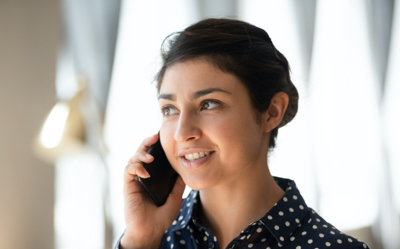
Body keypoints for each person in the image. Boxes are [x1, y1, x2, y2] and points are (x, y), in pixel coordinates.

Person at [116, 18, 370, 249]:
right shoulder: (149, 239)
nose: (182, 133)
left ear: (271, 112)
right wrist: (141, 239)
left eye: (209, 104)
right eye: (169, 109)